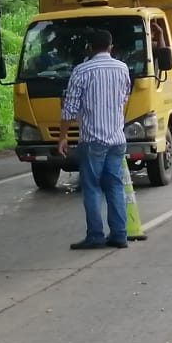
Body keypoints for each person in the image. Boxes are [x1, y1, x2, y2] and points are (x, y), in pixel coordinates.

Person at [56, 29, 133, 250]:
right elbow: (124, 97)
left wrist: (62, 137)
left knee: (91, 187)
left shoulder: (81, 71)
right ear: (111, 47)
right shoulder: (122, 68)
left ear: (89, 47)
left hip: (92, 140)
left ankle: (95, 235)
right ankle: (119, 234)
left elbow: (69, 109)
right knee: (115, 186)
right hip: (117, 139)